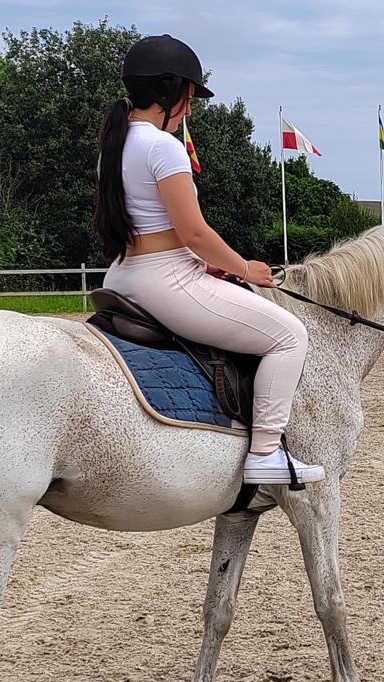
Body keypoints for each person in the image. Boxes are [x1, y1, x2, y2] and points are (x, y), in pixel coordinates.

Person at [94, 34, 323, 486]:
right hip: (165, 282)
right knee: (290, 335)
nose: (191, 111)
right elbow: (195, 232)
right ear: (168, 92)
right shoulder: (163, 148)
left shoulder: (114, 147)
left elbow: (154, 230)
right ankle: (265, 452)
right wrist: (243, 268)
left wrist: (205, 263)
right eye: (189, 98)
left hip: (122, 278)